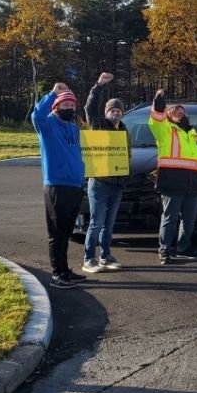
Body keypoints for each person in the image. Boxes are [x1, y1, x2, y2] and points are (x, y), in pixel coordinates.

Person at [33, 83, 87, 289]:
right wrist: (52, 94)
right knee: (56, 233)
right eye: (65, 104)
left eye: (72, 105)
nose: (70, 108)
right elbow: (36, 116)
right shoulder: (47, 125)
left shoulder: (74, 128)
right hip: (56, 186)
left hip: (74, 186)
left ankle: (65, 270)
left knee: (66, 233)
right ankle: (57, 275)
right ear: (55, 106)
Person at [149, 89, 197, 265]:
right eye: (176, 112)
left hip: (192, 182)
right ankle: (165, 250)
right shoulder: (166, 131)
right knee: (170, 218)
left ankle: (183, 246)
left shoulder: (192, 134)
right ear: (169, 116)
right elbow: (156, 119)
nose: (180, 113)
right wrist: (159, 100)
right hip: (172, 181)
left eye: (182, 111)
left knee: (189, 219)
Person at [82, 72, 128, 273]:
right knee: (96, 223)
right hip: (99, 181)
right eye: (112, 110)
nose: (115, 113)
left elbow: (126, 156)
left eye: (118, 110)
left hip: (117, 183)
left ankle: (105, 256)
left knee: (108, 225)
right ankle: (88, 259)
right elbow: (89, 108)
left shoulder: (124, 130)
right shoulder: (98, 124)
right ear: (106, 112)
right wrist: (99, 85)